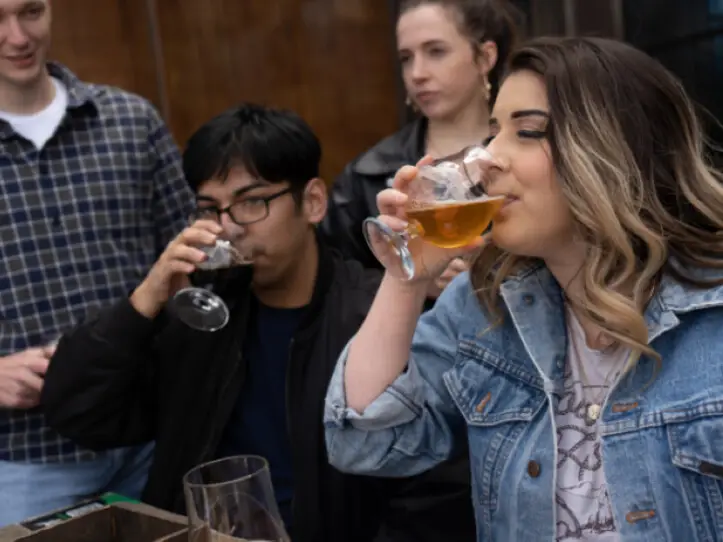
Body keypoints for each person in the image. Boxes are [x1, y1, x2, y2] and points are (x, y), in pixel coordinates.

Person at [324, 36, 723, 541]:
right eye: (493, 132)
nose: (488, 157)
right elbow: (362, 443)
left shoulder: (713, 315)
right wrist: (406, 278)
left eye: (528, 131)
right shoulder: (485, 304)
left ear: (617, 150)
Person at [40, 104, 399, 542]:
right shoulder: (201, 317)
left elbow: (429, 491)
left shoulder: (378, 315)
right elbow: (77, 413)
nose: (229, 227)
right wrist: (145, 301)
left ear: (313, 202)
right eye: (211, 209)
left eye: (252, 202)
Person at [0, 0, 194, 526]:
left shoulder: (132, 123)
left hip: (151, 441)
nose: (17, 36)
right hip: (24, 460)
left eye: (31, 12)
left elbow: (194, 264)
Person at [321, 0, 519, 298]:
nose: (417, 73)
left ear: (485, 57)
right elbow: (332, 284)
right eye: (405, 58)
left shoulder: (522, 158)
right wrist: (413, 281)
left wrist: (497, 275)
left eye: (436, 51)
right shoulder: (368, 175)